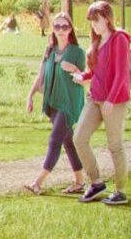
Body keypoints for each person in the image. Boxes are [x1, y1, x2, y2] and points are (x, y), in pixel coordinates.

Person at [65, 0, 131, 205]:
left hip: (115, 101)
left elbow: (121, 74)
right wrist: (82, 76)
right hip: (95, 98)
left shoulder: (119, 39)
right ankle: (96, 183)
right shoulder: (96, 41)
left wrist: (111, 100)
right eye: (91, 21)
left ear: (107, 18)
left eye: (96, 20)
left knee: (115, 145)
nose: (94, 25)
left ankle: (121, 191)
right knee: (79, 138)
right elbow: (95, 72)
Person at [25, 14, 88, 196]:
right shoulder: (50, 51)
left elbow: (85, 79)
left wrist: (74, 69)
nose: (61, 30)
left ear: (70, 29)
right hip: (53, 102)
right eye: (57, 26)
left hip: (69, 103)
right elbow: (41, 75)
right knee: (68, 142)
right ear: (53, 29)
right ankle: (80, 181)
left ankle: (38, 183)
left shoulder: (77, 52)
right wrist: (30, 96)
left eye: (64, 27)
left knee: (55, 140)